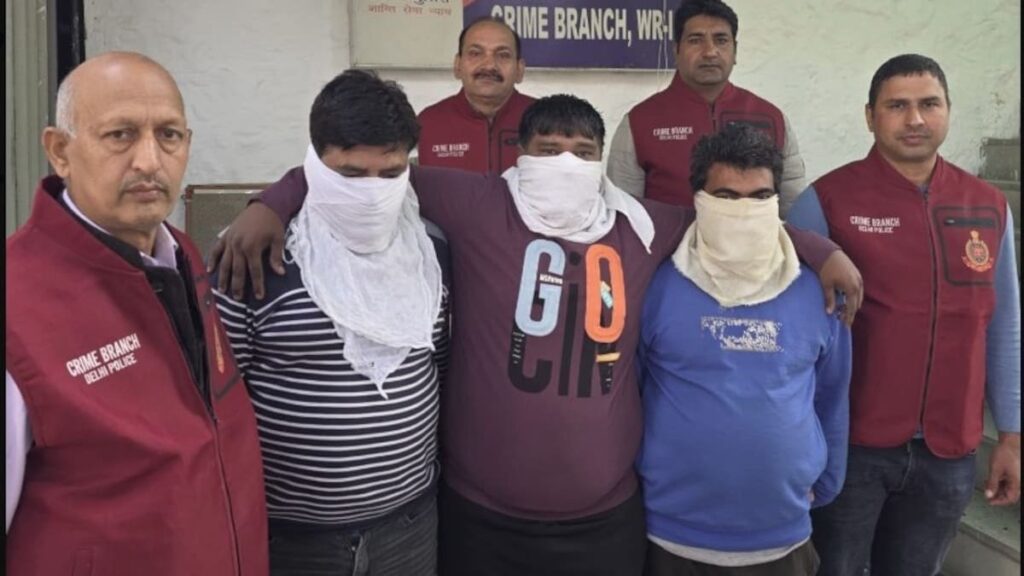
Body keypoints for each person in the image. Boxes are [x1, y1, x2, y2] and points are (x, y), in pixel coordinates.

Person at [210, 91, 862, 576]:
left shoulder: (642, 225)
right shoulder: (478, 203)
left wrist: (821, 249)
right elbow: (370, 171)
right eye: (548, 151)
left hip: (604, 519)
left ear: (602, 161)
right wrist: (273, 201)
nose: (566, 164)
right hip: (480, 516)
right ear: (519, 158)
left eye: (583, 152)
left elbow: (733, 214)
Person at [5, 52, 268, 575]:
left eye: (168, 135)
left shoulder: (181, 254)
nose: (149, 161)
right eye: (120, 135)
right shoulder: (18, 302)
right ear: (59, 151)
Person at [787, 53, 1021, 576]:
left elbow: (1004, 326)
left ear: (948, 110)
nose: (915, 119)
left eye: (929, 104)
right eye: (897, 106)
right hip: (850, 446)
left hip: (949, 450)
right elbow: (792, 334)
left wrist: (1011, 433)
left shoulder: (988, 205)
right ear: (870, 116)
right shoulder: (827, 201)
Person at [212, 69, 449, 576]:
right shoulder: (255, 256)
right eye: (351, 174)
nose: (372, 193)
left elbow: (441, 366)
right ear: (315, 163)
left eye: (390, 173)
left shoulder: (430, 253)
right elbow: (220, 400)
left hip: (409, 527)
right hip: (292, 539)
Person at [638, 124, 852, 576]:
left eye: (759, 196)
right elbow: (627, 393)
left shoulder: (819, 289)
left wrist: (828, 482)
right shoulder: (656, 283)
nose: (744, 210)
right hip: (670, 533)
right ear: (699, 198)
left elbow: (832, 395)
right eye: (727, 196)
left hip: (783, 535)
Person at [608, 0, 805, 216]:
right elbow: (622, 215)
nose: (710, 52)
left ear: (735, 51)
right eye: (695, 40)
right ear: (676, 50)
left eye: (721, 40)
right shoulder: (639, 122)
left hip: (756, 238)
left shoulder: (771, 117)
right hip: (668, 239)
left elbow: (793, 212)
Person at [416, 16, 535, 173]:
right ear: (458, 65)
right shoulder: (429, 122)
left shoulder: (545, 119)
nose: (489, 65)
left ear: (519, 70)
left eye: (503, 55)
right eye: (475, 53)